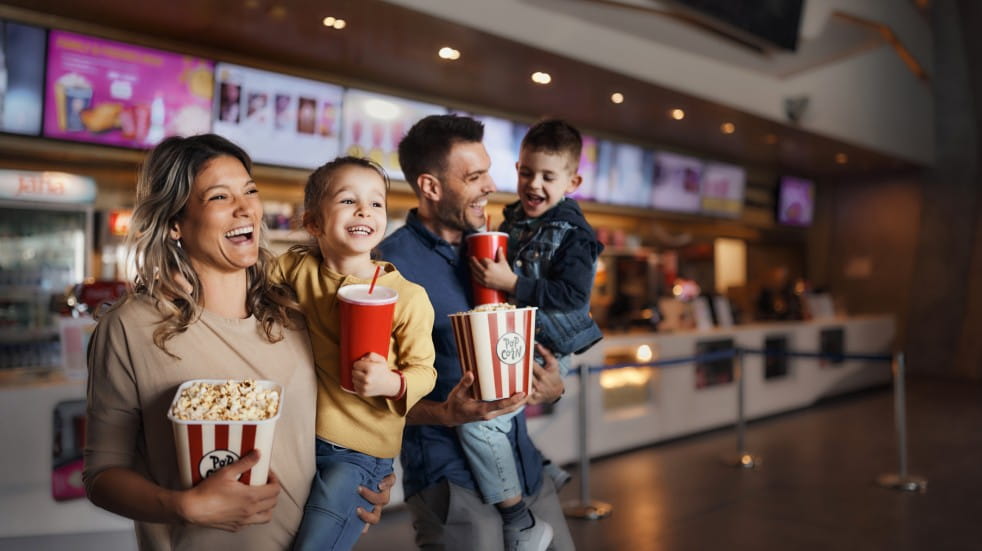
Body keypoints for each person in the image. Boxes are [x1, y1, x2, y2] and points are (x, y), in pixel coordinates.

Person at [83, 134, 392, 551]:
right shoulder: (130, 327)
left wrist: (363, 479)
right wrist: (182, 506)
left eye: (250, 191)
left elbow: (337, 424)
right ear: (175, 222)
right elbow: (103, 474)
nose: (246, 208)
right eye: (219, 197)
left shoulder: (297, 312)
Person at [377, 114, 575, 551]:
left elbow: (523, 338)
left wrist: (550, 385)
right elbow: (365, 395)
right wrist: (445, 413)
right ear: (431, 187)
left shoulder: (497, 247)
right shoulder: (388, 267)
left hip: (523, 465)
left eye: (488, 170)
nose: (490, 185)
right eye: (474, 176)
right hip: (449, 476)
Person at [273, 156, 437, 551]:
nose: (365, 210)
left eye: (376, 203)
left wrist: (390, 381)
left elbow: (425, 372)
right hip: (297, 440)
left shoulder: (409, 297)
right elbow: (241, 282)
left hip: (359, 453)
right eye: (348, 201)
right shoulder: (296, 267)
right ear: (313, 222)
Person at [465, 119, 604, 548]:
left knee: (481, 423)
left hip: (550, 345)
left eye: (547, 176)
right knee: (498, 416)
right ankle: (543, 467)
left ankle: (521, 522)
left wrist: (512, 284)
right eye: (526, 172)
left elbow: (571, 295)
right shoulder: (514, 218)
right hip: (521, 337)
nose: (533, 184)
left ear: (573, 181)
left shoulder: (576, 234)